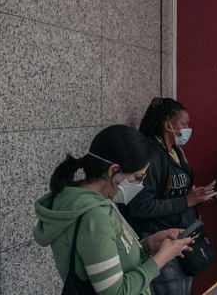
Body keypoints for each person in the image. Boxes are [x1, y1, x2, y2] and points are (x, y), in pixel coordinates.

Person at [34, 125, 194, 295]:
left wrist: (147, 245)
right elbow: (116, 292)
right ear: (113, 171)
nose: (140, 185)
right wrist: (160, 259)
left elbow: (108, 254)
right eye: (137, 178)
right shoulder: (93, 214)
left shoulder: (95, 200)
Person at [129, 97, 217, 295]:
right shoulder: (151, 156)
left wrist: (199, 196)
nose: (188, 129)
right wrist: (187, 200)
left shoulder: (176, 151)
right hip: (160, 240)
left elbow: (177, 193)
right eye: (184, 124)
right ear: (169, 125)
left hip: (183, 237)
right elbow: (141, 206)